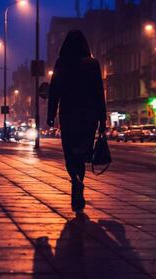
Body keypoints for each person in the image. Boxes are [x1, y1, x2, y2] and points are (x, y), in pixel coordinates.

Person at [47, 29, 107, 212]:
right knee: (82, 151)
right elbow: (99, 93)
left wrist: (51, 114)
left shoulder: (61, 64)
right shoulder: (92, 64)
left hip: (69, 115)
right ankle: (79, 179)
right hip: (89, 117)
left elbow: (54, 91)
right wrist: (102, 120)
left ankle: (76, 180)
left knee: (70, 152)